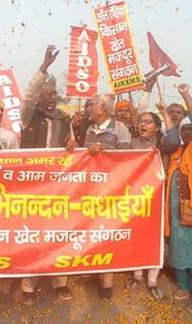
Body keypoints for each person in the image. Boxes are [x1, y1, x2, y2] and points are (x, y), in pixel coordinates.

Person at [18, 45, 74, 305]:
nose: (53, 97)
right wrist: (44, 69)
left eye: (55, 93)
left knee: (58, 236)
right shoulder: (29, 115)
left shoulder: (64, 118)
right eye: (48, 93)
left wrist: (72, 145)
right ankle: (28, 287)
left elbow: (72, 147)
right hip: (32, 188)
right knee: (33, 236)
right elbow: (28, 96)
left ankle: (60, 282)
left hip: (59, 189)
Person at [161, 84, 192, 305]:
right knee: (179, 249)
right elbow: (170, 137)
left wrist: (185, 95)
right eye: (185, 130)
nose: (189, 132)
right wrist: (164, 113)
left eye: (191, 129)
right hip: (175, 212)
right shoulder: (176, 151)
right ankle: (184, 285)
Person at [83, 93, 132, 300]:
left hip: (112, 192)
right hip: (92, 191)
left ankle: (107, 283)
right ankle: (94, 271)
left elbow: (127, 160)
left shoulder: (120, 129)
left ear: (102, 107)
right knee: (93, 233)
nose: (88, 108)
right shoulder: (89, 129)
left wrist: (103, 152)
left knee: (107, 235)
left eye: (91, 104)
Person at [126, 110, 165, 300]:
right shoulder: (133, 143)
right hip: (136, 198)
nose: (143, 124)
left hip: (157, 198)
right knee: (137, 236)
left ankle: (152, 280)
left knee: (154, 238)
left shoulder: (164, 144)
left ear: (157, 127)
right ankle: (137, 275)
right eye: (141, 121)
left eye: (148, 122)